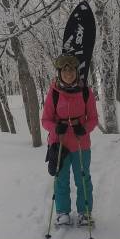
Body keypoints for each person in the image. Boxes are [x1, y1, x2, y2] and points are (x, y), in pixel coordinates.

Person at [41, 55, 99, 227]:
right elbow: (45, 120)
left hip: (81, 143)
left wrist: (85, 128)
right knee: (61, 179)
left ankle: (84, 212)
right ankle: (62, 212)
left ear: (76, 72)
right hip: (60, 144)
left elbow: (94, 118)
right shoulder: (53, 93)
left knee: (83, 179)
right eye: (64, 70)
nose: (68, 74)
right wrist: (55, 128)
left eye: (71, 70)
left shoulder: (86, 92)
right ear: (59, 73)